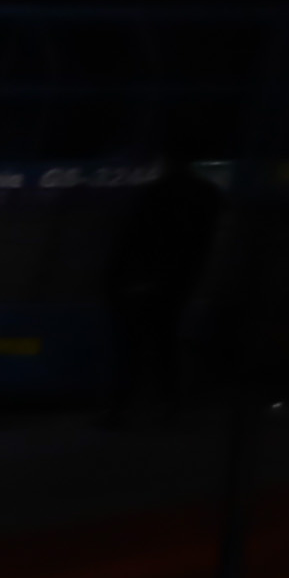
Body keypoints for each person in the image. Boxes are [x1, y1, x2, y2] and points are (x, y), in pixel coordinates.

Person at [102, 155, 224, 422]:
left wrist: (128, 279)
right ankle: (167, 404)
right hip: (178, 282)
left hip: (147, 281)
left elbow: (135, 237)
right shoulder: (207, 194)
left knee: (134, 347)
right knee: (163, 343)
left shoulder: (155, 194)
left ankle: (127, 407)